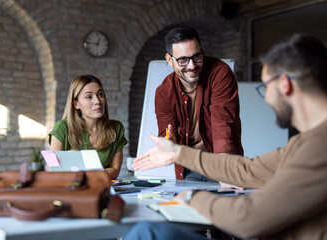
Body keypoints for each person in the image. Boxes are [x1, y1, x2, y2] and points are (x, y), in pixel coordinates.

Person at [127, 34, 327, 239]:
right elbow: (250, 169)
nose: (266, 97)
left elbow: (248, 219)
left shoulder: (318, 147)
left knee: (146, 232)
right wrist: (176, 153)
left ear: (284, 84)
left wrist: (192, 198)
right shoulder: (304, 143)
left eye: (265, 87)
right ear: (170, 60)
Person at [155, 26, 243, 181]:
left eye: (196, 56)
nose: (192, 66)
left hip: (220, 162)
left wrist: (225, 174)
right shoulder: (163, 93)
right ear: (170, 60)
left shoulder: (220, 74)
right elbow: (167, 134)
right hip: (189, 168)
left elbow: (223, 127)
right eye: (182, 60)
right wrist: (168, 143)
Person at [49, 75, 128, 180]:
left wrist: (83, 172)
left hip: (103, 190)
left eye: (100, 94)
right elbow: (51, 170)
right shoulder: (62, 128)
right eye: (89, 97)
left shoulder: (116, 128)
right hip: (71, 190)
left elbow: (115, 170)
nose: (97, 101)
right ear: (76, 104)